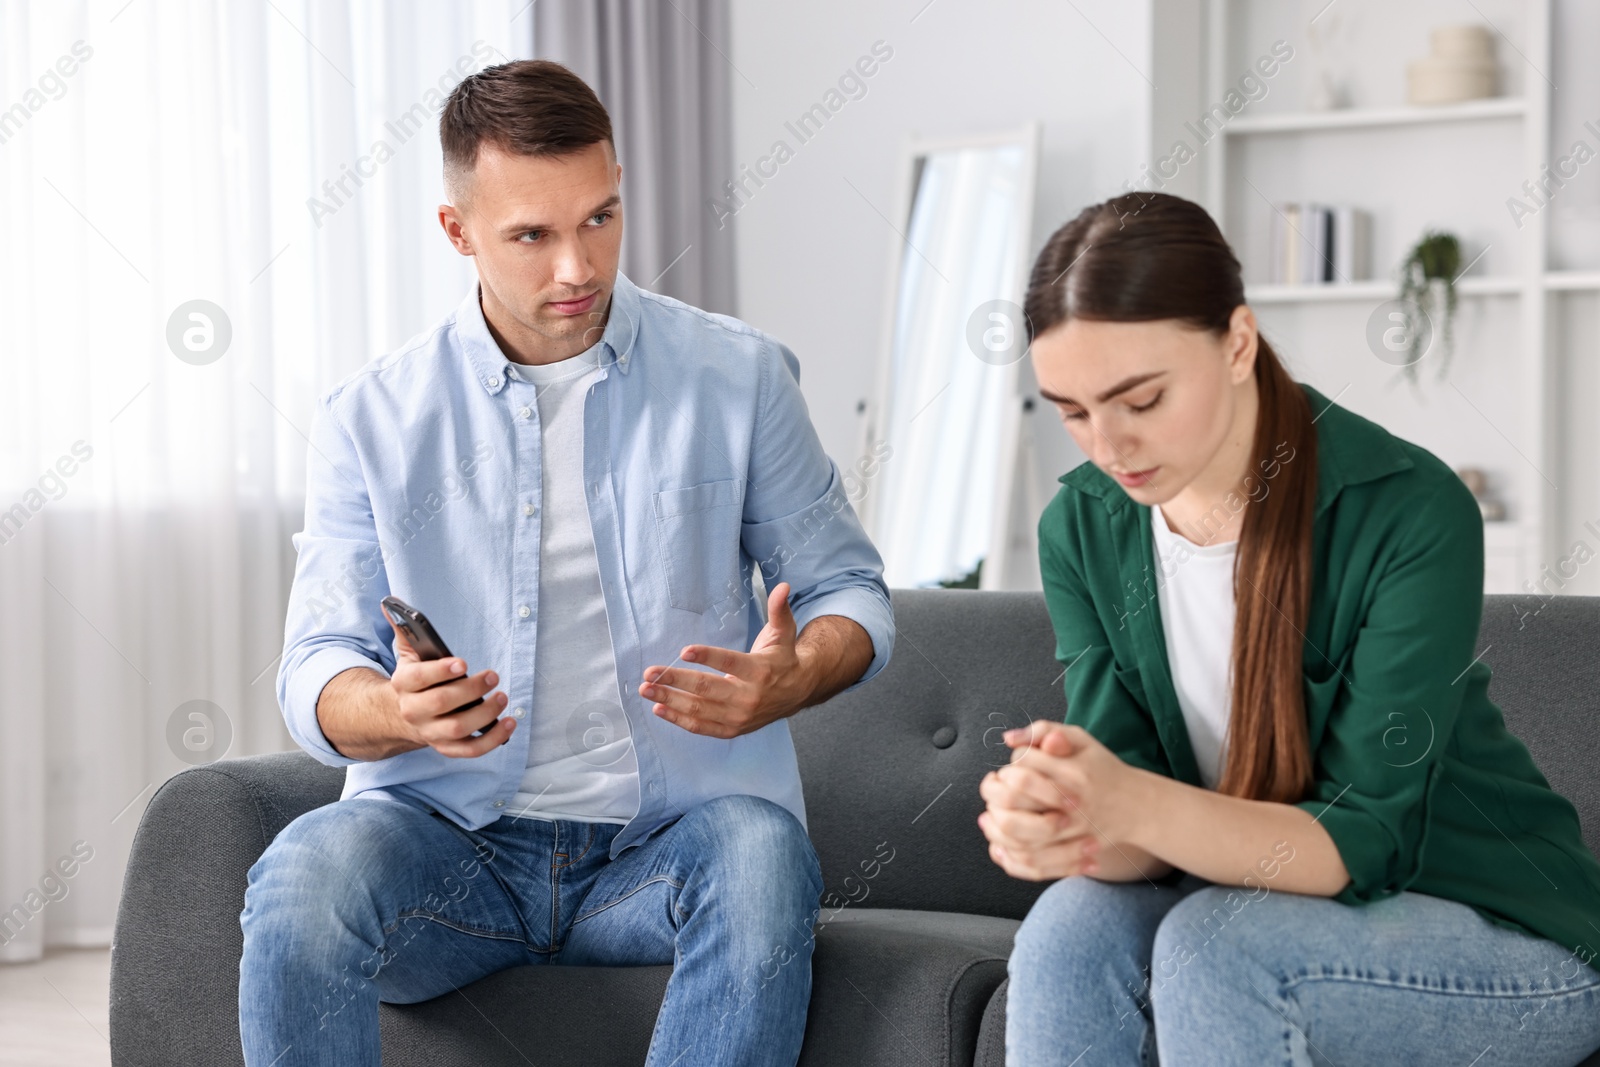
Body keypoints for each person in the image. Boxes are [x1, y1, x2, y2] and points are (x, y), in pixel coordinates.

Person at [241, 59, 894, 1067]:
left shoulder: (738, 378)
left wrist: (797, 673)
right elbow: (314, 665)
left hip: (663, 850)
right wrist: (395, 709)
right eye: (532, 235)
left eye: (600, 217)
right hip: (448, 851)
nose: (577, 267)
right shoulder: (370, 417)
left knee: (763, 856)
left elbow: (847, 586)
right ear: (458, 232)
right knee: (302, 875)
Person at [978, 191, 1600, 1066]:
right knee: (1069, 927)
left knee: (1213, 947)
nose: (1108, 445)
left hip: (1504, 939)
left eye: (1141, 399)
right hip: (1242, 895)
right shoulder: (1082, 528)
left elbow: (1357, 841)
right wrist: (1070, 822)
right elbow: (1139, 828)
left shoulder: (1410, 512)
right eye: (1073, 412)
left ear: (1237, 342)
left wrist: (1128, 800)